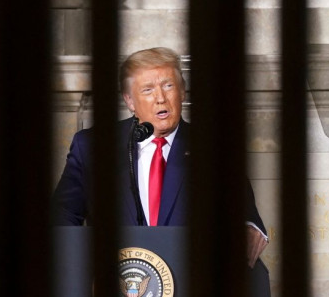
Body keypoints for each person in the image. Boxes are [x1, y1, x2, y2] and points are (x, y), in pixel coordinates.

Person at [51, 46, 268, 267]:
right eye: (147, 90)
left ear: (182, 91)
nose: (160, 98)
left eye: (168, 86)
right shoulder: (92, 147)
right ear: (130, 101)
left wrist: (250, 227)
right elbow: (64, 212)